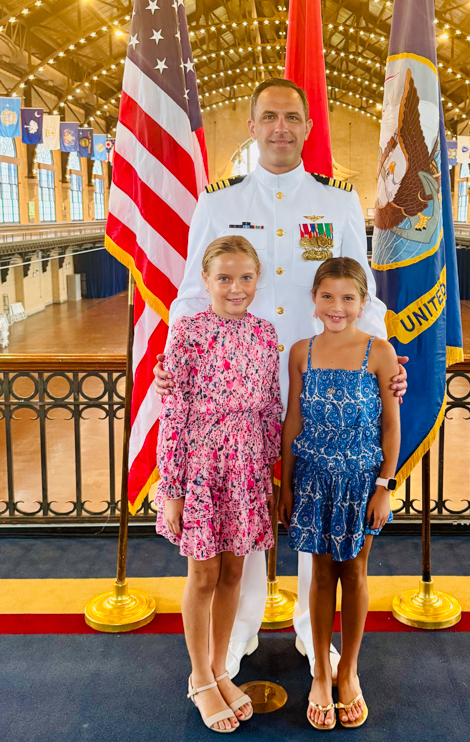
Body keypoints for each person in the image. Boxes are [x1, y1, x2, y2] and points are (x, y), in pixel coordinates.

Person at [153, 77, 408, 680]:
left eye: (292, 117)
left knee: (316, 501)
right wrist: (171, 361)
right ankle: (237, 632)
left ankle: (310, 632)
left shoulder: (338, 203)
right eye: (269, 116)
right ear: (252, 126)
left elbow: (362, 292)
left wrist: (385, 360)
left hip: (318, 377)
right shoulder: (217, 204)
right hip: (235, 384)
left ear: (308, 128)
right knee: (238, 508)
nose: (281, 128)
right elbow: (192, 292)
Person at [156, 236, 282, 733]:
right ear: (206, 281)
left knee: (234, 572)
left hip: (247, 466)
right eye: (224, 277)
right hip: (202, 465)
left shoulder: (265, 333)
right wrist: (172, 488)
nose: (236, 287)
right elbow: (174, 412)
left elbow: (271, 406)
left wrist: (269, 473)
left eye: (245, 277)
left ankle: (219, 668)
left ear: (258, 280)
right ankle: (199, 677)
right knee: (203, 574)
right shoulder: (187, 332)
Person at [279, 258, 400, 730]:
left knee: (354, 571)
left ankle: (347, 671)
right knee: (320, 573)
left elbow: (390, 426)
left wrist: (384, 486)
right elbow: (293, 420)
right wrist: (286, 485)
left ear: (363, 303)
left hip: (361, 481)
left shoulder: (380, 352)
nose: (337, 306)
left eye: (348, 298)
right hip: (312, 479)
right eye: (327, 296)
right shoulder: (301, 352)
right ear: (314, 300)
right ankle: (319, 673)